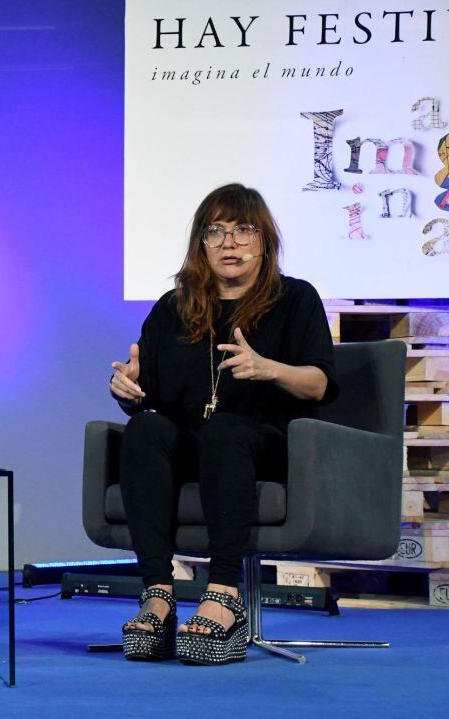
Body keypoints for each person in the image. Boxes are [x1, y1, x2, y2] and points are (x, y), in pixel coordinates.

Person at [108, 183, 337, 665]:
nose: (229, 242)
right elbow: (147, 391)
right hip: (193, 444)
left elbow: (318, 384)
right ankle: (157, 596)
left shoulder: (295, 298)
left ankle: (223, 596)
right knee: (145, 429)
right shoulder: (173, 308)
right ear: (200, 244)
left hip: (266, 444)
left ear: (264, 240)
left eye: (242, 230)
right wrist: (128, 389)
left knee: (226, 431)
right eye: (216, 231)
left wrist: (268, 368)